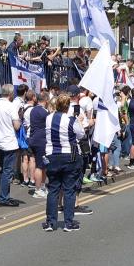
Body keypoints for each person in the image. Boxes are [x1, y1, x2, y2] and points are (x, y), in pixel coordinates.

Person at [43, 92, 85, 232]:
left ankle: (50, 223)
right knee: (69, 190)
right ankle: (68, 223)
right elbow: (81, 134)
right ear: (68, 106)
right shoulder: (71, 119)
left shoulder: (49, 118)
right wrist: (79, 120)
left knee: (53, 189)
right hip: (69, 156)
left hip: (52, 156)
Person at [0, 83, 22, 206]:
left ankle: (2, 195)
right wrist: (19, 118)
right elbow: (16, 126)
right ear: (10, 94)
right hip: (9, 142)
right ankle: (4, 198)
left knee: (3, 170)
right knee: (8, 171)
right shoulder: (11, 106)